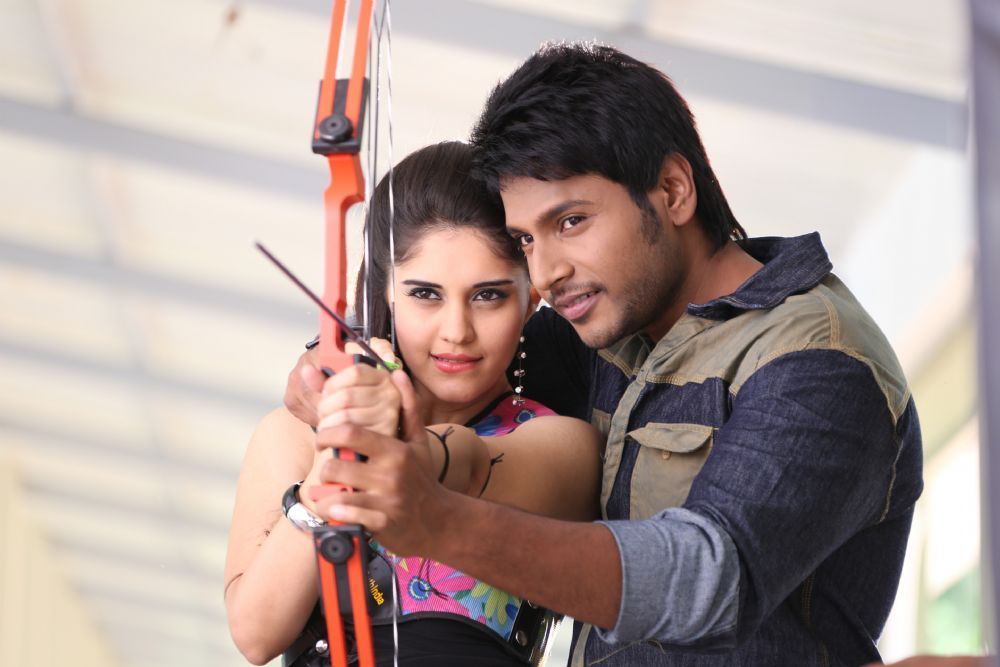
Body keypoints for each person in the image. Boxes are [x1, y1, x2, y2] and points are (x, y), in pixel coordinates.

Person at [288, 43, 924, 666]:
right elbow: (447, 359)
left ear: (673, 190)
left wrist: (439, 521)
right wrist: (339, 366)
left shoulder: (819, 362)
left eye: (570, 222)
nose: (547, 272)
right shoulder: (602, 322)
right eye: (525, 239)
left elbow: (707, 581)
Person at [224, 142, 601, 666]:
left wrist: (390, 440)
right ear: (385, 290)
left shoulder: (559, 440)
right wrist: (335, 456)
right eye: (426, 294)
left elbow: (465, 461)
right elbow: (256, 634)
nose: (457, 331)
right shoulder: (293, 435)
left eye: (488, 295)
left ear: (531, 296)